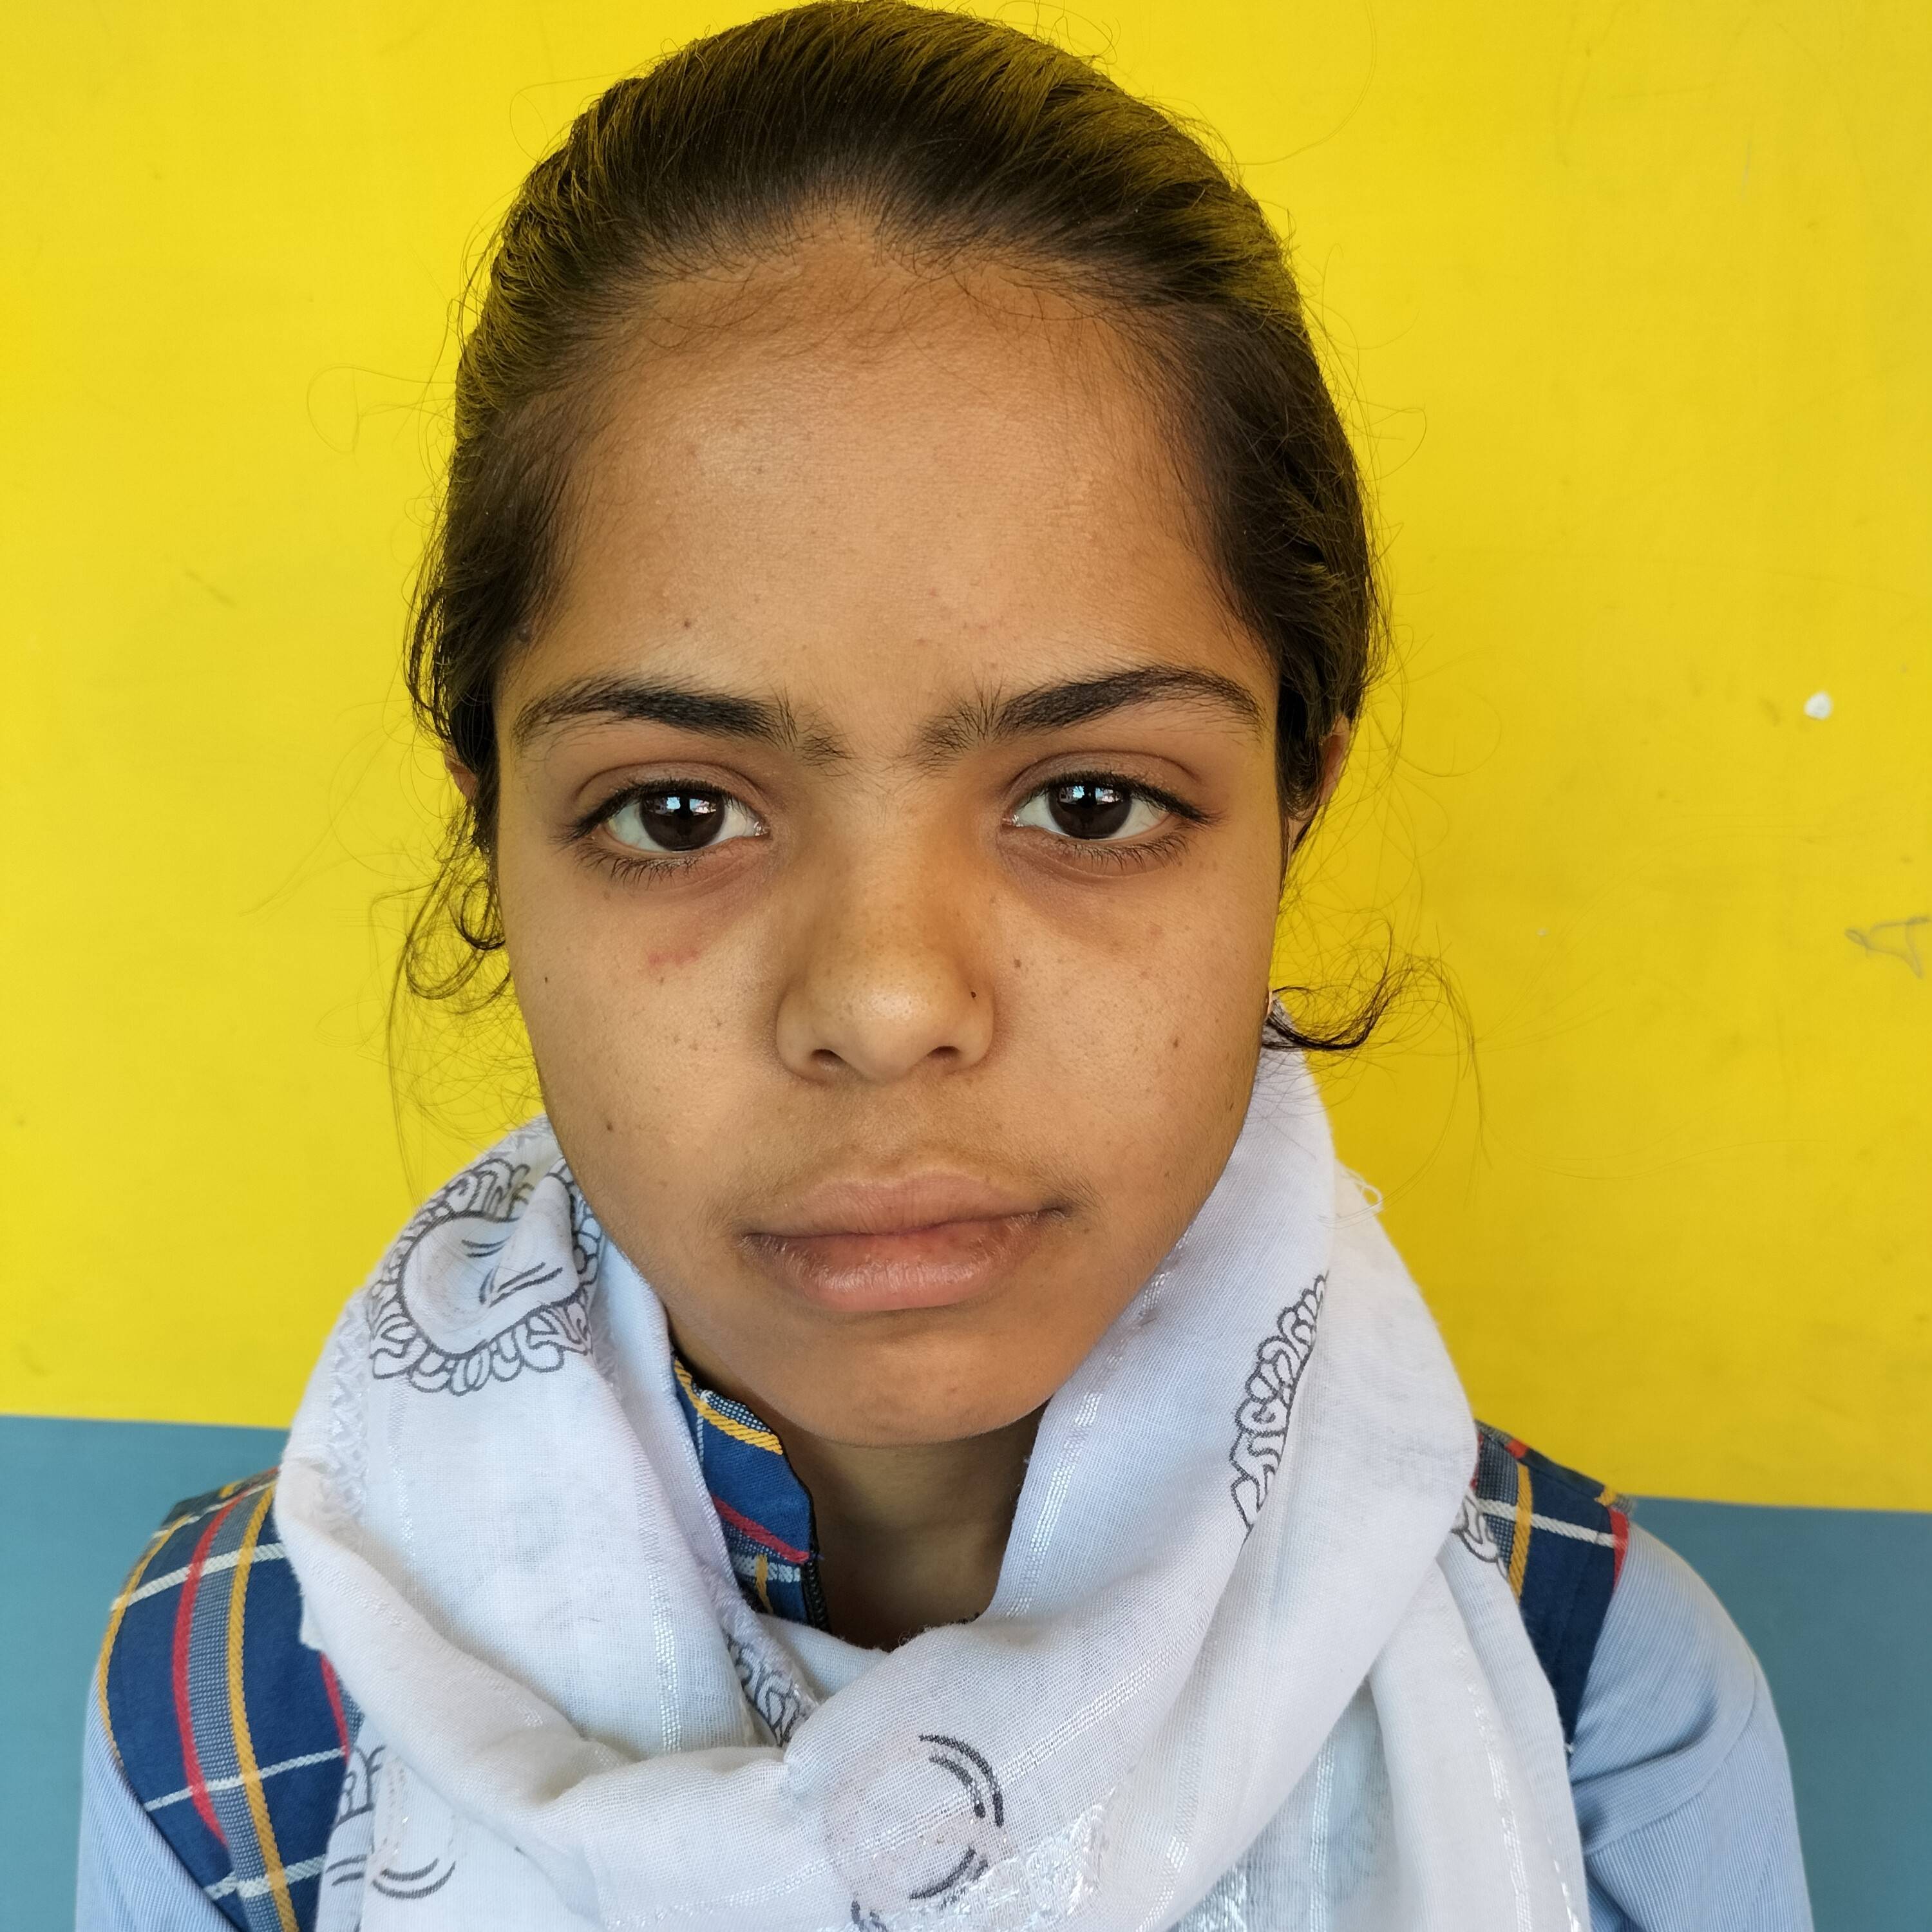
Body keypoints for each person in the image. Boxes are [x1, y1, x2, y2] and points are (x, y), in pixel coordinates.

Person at [77, 6, 1811, 1928]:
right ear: (494, 825)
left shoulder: (1591, 1705)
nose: (890, 1003)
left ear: (1295, 802)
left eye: (1088, 803)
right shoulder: (234, 1712)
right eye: (678, 814)